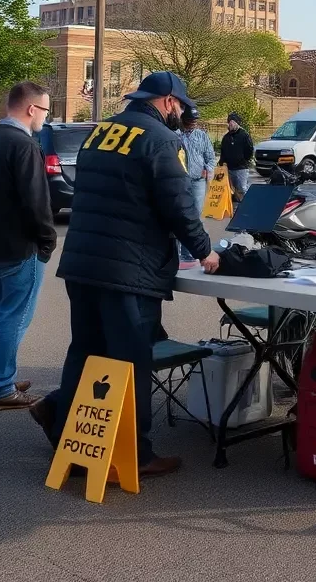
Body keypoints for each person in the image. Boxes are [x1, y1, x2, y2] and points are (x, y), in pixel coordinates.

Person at [31, 71, 219, 477]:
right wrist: (205, 251)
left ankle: (67, 428)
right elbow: (178, 205)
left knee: (86, 351)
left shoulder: (101, 132)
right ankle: (135, 453)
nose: (182, 114)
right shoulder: (161, 140)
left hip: (84, 262)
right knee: (130, 361)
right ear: (168, 101)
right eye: (181, 106)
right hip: (128, 268)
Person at [0, 82, 57, 410]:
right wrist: (47, 240)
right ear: (31, 108)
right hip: (20, 247)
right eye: (46, 110)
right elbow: (36, 201)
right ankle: (0, 388)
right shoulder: (24, 145)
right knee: (13, 318)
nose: (46, 118)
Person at [175, 106, 215, 267]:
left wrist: (209, 170)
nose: (192, 124)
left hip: (198, 181)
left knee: (194, 216)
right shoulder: (175, 136)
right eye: (190, 121)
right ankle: (176, 252)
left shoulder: (202, 136)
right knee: (178, 215)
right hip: (180, 181)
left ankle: (188, 253)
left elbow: (210, 157)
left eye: (194, 121)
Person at [219, 111, 254, 202]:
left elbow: (250, 150)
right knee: (230, 191)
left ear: (237, 123)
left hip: (241, 169)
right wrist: (222, 163)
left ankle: (244, 208)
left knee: (242, 189)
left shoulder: (244, 135)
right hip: (229, 169)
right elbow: (223, 151)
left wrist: (244, 160)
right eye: (229, 122)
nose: (230, 124)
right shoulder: (226, 137)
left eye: (232, 122)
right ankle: (233, 211)